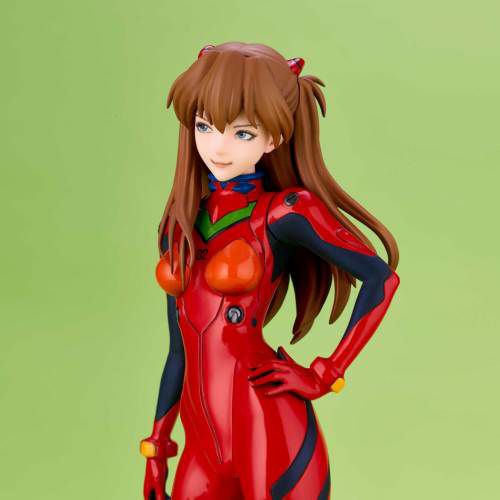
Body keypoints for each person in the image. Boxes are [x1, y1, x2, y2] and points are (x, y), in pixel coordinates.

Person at [139, 42, 400, 500]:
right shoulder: (180, 225)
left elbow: (381, 278)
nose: (217, 147)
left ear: (274, 139)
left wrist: (324, 374)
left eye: (242, 133)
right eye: (204, 126)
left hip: (267, 426)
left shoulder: (286, 213)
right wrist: (158, 447)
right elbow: (178, 352)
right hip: (201, 441)